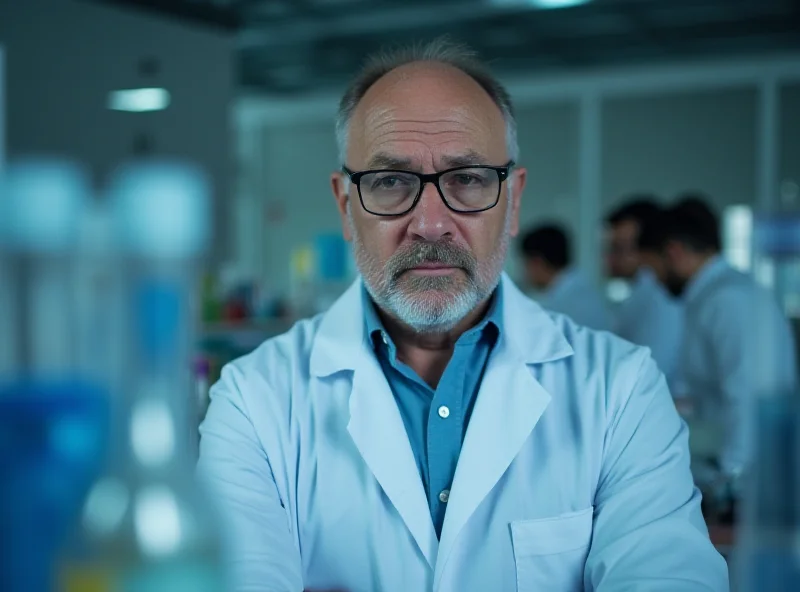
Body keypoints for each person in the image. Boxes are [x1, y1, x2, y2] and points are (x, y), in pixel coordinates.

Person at [198, 39, 728, 592]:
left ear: (514, 200)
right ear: (345, 205)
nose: (431, 223)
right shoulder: (255, 402)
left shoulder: (621, 391)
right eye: (390, 181)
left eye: (468, 179)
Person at [657, 196, 797, 477]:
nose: (655, 279)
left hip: (754, 473)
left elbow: (746, 394)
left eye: (654, 267)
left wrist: (732, 479)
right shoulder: (711, 297)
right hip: (731, 457)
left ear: (673, 252)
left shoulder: (729, 299)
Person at [605, 198, 683, 388]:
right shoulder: (639, 293)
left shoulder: (658, 294)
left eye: (622, 248)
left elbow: (653, 370)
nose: (611, 258)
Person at [519, 223, 612, 331]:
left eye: (525, 264)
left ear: (536, 262)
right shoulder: (575, 292)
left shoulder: (569, 303)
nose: (524, 273)